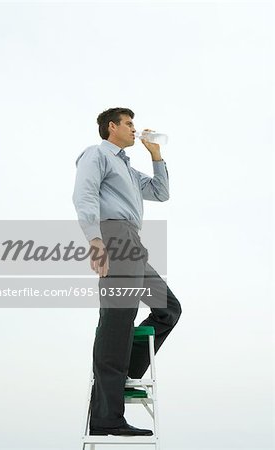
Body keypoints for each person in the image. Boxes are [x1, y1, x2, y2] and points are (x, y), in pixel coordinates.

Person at [72, 107, 182, 436]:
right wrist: (95, 240)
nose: (135, 129)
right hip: (113, 235)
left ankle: (124, 376)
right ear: (112, 127)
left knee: (168, 309)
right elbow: (84, 194)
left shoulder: (130, 171)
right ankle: (107, 416)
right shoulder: (97, 155)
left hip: (132, 241)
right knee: (117, 319)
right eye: (129, 124)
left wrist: (156, 156)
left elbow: (162, 193)